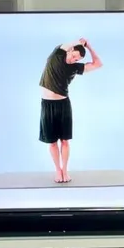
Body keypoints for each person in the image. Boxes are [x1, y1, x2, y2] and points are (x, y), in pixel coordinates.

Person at [39, 38, 102, 183]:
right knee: (52, 142)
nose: (74, 60)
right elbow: (65, 45)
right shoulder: (56, 55)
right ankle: (58, 170)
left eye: (77, 59)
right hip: (47, 105)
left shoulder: (75, 67)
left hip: (63, 105)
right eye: (73, 56)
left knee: (65, 141)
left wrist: (89, 47)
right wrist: (80, 43)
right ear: (70, 50)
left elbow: (98, 64)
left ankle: (65, 171)